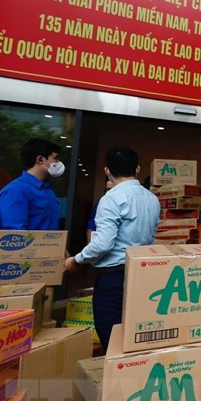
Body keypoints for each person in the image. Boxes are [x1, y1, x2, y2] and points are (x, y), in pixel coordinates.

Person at [63, 147, 159, 349]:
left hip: (113, 278)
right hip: (142, 274)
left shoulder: (111, 199)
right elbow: (151, 239)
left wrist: (76, 259)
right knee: (135, 334)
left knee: (111, 336)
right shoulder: (152, 198)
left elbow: (103, 243)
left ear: (106, 170)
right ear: (137, 169)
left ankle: (118, 369)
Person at [0, 138, 64, 230]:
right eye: (55, 158)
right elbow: (14, 234)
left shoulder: (47, 189)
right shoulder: (16, 191)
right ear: (40, 160)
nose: (58, 163)